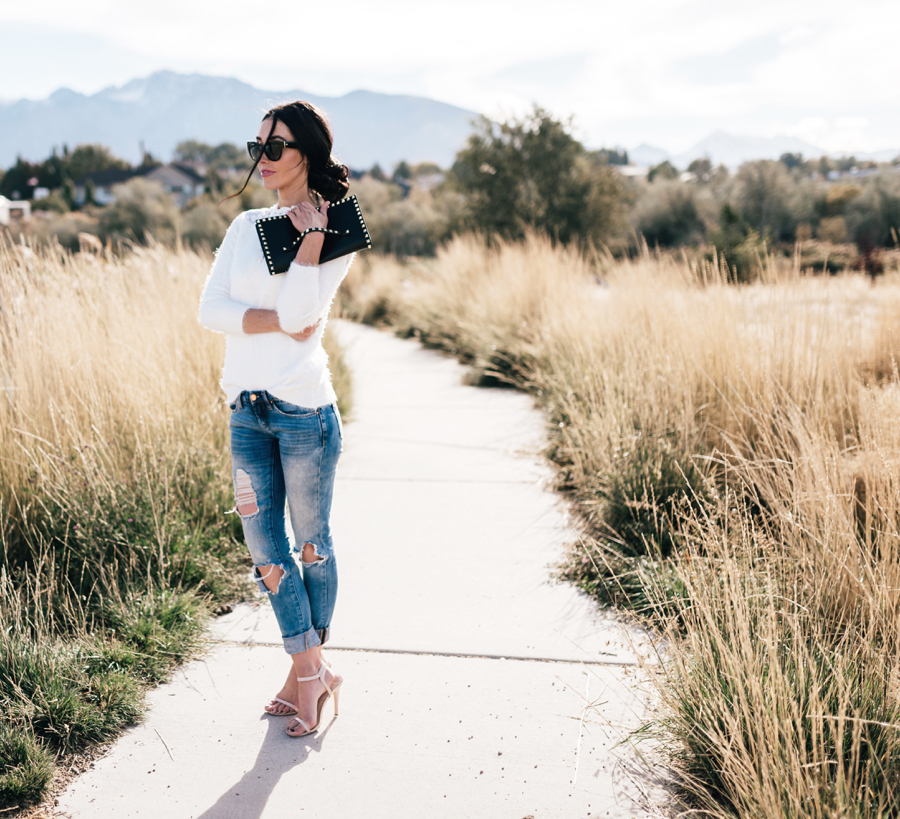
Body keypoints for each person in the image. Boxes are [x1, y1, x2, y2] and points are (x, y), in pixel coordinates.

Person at [198, 101, 352, 738]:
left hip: (303, 412)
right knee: (264, 546)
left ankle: (303, 678)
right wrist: (273, 323)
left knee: (310, 547)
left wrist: (311, 238)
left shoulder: (338, 228)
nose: (262, 159)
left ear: (306, 155)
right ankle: (314, 670)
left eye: (276, 147)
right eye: (256, 146)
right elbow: (211, 310)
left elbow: (299, 311)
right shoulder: (244, 226)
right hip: (246, 408)